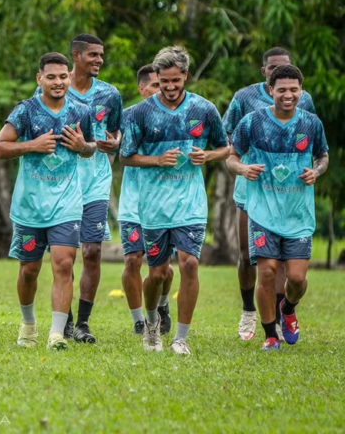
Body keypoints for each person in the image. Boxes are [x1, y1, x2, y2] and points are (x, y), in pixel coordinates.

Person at [120, 47, 229, 355]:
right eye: (164, 81)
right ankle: (152, 325)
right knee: (156, 274)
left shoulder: (204, 109)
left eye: (175, 81)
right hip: (154, 207)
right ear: (157, 78)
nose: (169, 87)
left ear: (185, 76)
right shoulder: (141, 113)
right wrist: (156, 160)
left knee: (190, 264)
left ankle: (181, 338)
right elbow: (126, 157)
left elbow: (226, 148)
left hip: (191, 204)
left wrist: (207, 155)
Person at [0, 52, 96, 350]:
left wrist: (82, 146)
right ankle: (28, 324)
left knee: (64, 264)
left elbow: (90, 147)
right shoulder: (25, 111)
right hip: (30, 205)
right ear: (39, 79)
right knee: (29, 270)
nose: (58, 82)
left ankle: (56, 334)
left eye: (63, 76)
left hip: (66, 203)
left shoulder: (81, 111)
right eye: (51, 77)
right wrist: (32, 145)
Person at [226, 65, 328, 350]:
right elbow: (231, 157)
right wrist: (243, 168)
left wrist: (316, 172)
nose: (288, 95)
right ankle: (270, 335)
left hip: (297, 213)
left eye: (294, 90)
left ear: (301, 91)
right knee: (267, 271)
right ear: (270, 90)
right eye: (281, 89)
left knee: (296, 279)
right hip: (262, 211)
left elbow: (323, 157)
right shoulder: (251, 122)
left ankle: (288, 309)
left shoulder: (311, 124)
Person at [36, 35, 122, 343]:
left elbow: (115, 130)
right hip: (62, 183)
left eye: (102, 55)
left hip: (96, 181)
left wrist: (116, 141)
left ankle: (83, 322)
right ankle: (66, 319)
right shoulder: (53, 87)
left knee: (92, 250)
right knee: (66, 255)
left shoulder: (110, 95)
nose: (99, 60)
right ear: (77, 55)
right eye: (94, 55)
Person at [118, 65, 174, 335]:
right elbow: (111, 144)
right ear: (141, 89)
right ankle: (139, 321)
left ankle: (162, 305)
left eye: (162, 84)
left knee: (164, 270)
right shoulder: (127, 117)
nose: (160, 90)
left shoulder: (176, 117)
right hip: (133, 203)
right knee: (133, 260)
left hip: (165, 204)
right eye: (154, 85)